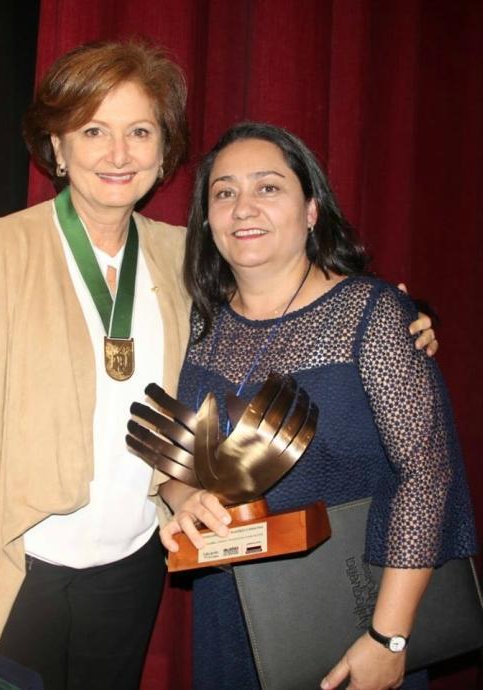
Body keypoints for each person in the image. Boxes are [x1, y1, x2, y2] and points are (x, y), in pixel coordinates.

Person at [0, 40, 438, 690]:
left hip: (133, 563)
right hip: (15, 561)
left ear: (163, 155)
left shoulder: (184, 257)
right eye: (93, 130)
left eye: (140, 131)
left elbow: (279, 301)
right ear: (56, 148)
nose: (118, 152)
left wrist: (401, 317)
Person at [158, 122, 477, 690]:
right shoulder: (204, 327)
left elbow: (427, 477)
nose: (243, 207)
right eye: (224, 192)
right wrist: (188, 500)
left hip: (354, 615)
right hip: (232, 613)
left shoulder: (372, 315)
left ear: (311, 209)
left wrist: (389, 638)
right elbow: (179, 466)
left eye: (269, 188)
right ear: (207, 221)